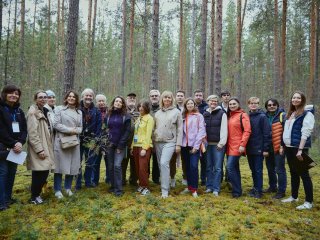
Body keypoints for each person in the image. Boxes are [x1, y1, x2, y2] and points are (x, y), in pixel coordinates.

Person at [281, 91, 315, 210]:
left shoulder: (307, 114)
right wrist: (283, 146)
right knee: (293, 172)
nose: (295, 99)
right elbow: (285, 131)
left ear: (302, 100)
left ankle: (309, 201)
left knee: (304, 174)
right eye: (294, 97)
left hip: (299, 148)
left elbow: (306, 132)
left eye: (298, 98)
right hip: (289, 147)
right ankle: (294, 196)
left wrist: (300, 149)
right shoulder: (291, 113)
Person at [0, 85, 27, 211]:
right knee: (3, 173)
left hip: (16, 148)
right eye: (11, 93)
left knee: (11, 174)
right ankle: (1, 202)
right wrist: (13, 144)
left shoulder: (19, 111)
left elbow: (24, 130)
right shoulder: (1, 109)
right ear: (4, 94)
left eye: (16, 94)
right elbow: (2, 131)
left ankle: (7, 198)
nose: (14, 95)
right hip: (3, 148)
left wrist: (20, 143)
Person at [26, 90, 55, 204]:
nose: (43, 99)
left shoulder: (44, 111)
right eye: (40, 97)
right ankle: (34, 196)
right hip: (39, 147)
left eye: (44, 97)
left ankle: (36, 194)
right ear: (35, 99)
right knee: (40, 172)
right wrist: (39, 150)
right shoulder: (33, 112)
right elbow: (32, 133)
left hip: (46, 145)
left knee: (42, 171)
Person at [53, 90, 83, 199]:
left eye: (73, 97)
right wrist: (70, 130)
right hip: (61, 141)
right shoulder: (59, 109)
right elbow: (56, 124)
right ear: (66, 98)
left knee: (72, 166)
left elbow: (80, 128)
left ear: (76, 99)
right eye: (69, 96)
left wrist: (76, 131)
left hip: (74, 142)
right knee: (60, 166)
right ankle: (57, 190)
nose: (71, 98)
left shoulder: (79, 112)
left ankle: (68, 188)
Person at [154, 91, 183, 198]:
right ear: (162, 99)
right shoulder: (157, 113)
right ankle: (165, 185)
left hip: (171, 141)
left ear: (172, 99)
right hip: (158, 142)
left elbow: (180, 129)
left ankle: (164, 191)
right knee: (161, 166)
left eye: (169, 98)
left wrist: (178, 144)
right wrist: (153, 142)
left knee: (164, 163)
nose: (167, 99)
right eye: (165, 97)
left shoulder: (177, 112)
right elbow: (154, 129)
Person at [105, 96, 131, 197]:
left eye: (120, 102)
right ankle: (113, 186)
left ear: (123, 104)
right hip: (109, 145)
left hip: (120, 146)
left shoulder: (126, 116)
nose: (118, 103)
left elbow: (127, 132)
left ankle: (119, 189)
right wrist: (105, 142)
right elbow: (105, 128)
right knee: (110, 166)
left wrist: (120, 145)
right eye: (116, 101)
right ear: (113, 102)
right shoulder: (108, 115)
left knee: (117, 166)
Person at [180, 98, 206, 198]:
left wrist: (196, 146)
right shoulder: (183, 116)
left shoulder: (199, 116)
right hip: (184, 146)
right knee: (186, 167)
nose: (190, 105)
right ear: (185, 106)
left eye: (192, 103)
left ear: (194, 105)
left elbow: (201, 131)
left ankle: (194, 189)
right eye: (188, 103)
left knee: (194, 166)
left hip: (194, 145)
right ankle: (189, 187)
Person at [76, 88, 102, 189]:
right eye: (86, 95)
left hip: (91, 140)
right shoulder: (77, 109)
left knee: (90, 162)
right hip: (78, 139)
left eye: (90, 95)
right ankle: (78, 183)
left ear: (93, 98)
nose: (88, 97)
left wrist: (95, 140)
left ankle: (88, 182)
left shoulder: (96, 111)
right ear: (82, 96)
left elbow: (99, 127)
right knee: (77, 162)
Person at [246, 97, 271, 199]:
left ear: (259, 105)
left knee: (258, 170)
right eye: (252, 103)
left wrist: (265, 149)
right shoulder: (247, 116)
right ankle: (255, 187)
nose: (254, 105)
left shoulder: (262, 117)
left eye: (256, 103)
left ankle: (259, 191)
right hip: (250, 148)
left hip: (259, 149)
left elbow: (267, 134)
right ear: (248, 105)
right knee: (252, 170)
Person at [226, 97, 251, 198]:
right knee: (235, 168)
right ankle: (238, 190)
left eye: (234, 104)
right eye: (230, 104)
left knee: (230, 167)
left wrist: (242, 145)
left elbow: (247, 130)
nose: (232, 106)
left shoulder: (243, 115)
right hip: (229, 146)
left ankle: (236, 191)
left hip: (238, 146)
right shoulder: (230, 116)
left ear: (238, 104)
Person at [203, 95, 228, 196]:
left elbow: (224, 129)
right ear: (208, 102)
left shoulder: (222, 113)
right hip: (207, 144)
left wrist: (221, 143)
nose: (213, 103)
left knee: (217, 167)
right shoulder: (205, 114)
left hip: (218, 145)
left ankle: (216, 188)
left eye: (215, 101)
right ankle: (209, 186)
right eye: (211, 101)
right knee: (208, 166)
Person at [264, 98, 287, 199]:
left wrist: (282, 145)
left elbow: (286, 132)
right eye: (269, 105)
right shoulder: (264, 116)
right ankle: (273, 187)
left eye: (274, 104)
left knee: (280, 169)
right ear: (266, 107)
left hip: (279, 147)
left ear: (277, 105)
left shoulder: (282, 116)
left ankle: (281, 191)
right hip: (268, 147)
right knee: (270, 169)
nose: (271, 106)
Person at [132, 100, 154, 196]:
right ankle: (140, 185)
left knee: (142, 168)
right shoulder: (138, 118)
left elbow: (148, 134)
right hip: (136, 146)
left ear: (147, 108)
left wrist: (144, 148)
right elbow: (135, 134)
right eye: (139, 106)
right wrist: (132, 147)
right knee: (137, 167)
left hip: (144, 146)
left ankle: (146, 187)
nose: (141, 108)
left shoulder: (149, 118)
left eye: (143, 106)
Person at [92, 94, 110, 185]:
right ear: (96, 102)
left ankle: (109, 179)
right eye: (99, 101)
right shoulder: (94, 111)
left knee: (108, 160)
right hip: (96, 141)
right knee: (96, 161)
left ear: (105, 102)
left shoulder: (110, 112)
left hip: (108, 141)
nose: (101, 102)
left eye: (103, 101)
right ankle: (95, 180)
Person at [122, 93, 139, 186]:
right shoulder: (123, 110)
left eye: (133, 98)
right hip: (124, 143)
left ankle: (133, 180)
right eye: (130, 98)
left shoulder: (140, 110)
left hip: (136, 143)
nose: (132, 99)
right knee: (123, 163)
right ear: (126, 99)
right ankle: (122, 180)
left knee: (134, 164)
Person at [170, 90, 186, 187]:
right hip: (174, 137)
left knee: (185, 159)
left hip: (186, 138)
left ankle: (185, 177)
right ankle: (172, 178)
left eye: (181, 95)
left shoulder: (188, 108)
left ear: (184, 97)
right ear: (175, 97)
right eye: (178, 95)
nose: (180, 97)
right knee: (172, 159)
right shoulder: (172, 109)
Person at [193, 89, 208, 186]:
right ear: (194, 96)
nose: (198, 97)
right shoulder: (190, 106)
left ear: (202, 97)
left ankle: (203, 179)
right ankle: (194, 179)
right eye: (197, 95)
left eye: (200, 95)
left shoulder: (206, 107)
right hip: (193, 138)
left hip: (204, 138)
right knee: (194, 161)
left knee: (204, 161)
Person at [149, 89, 161, 184]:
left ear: (159, 97)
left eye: (156, 95)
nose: (154, 97)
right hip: (147, 139)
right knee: (146, 160)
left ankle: (156, 179)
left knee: (157, 160)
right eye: (152, 96)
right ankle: (145, 178)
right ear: (150, 97)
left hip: (158, 139)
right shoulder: (146, 108)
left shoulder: (162, 109)